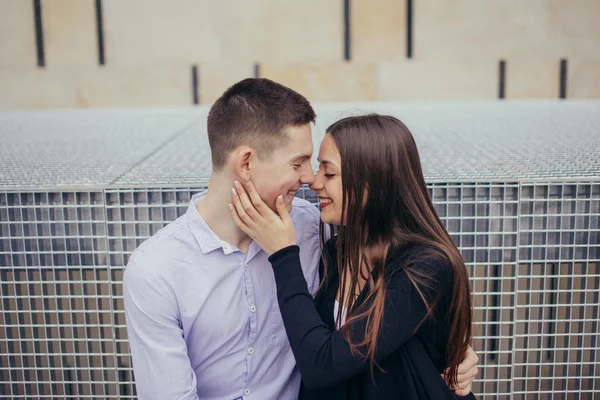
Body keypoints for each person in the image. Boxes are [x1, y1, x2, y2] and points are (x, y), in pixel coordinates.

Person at [123, 79, 479, 400]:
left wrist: (448, 347)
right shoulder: (156, 270)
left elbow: (400, 280)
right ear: (246, 163)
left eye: (323, 169)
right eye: (300, 163)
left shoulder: (314, 229)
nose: (310, 179)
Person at [229, 114, 477, 399]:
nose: (314, 182)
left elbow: (322, 365)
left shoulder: (425, 266)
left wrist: (284, 255)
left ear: (373, 181)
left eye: (329, 173)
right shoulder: (337, 251)